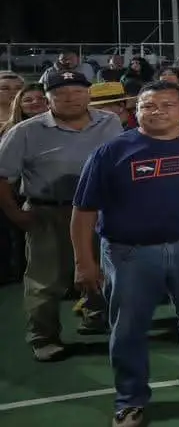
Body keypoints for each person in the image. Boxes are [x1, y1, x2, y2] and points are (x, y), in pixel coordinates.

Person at [71, 81, 179, 427]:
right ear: (136, 110)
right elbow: (83, 211)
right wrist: (84, 262)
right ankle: (130, 399)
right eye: (148, 106)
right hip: (130, 253)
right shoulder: (111, 152)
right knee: (128, 328)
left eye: (167, 105)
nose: (157, 111)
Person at [0, 71, 122, 360]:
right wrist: (14, 213)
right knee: (45, 280)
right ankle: (43, 337)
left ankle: (96, 315)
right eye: (61, 93)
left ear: (88, 94)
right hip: (49, 211)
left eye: (77, 91)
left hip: (100, 211)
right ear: (48, 98)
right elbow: (2, 177)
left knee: (102, 269)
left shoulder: (109, 122)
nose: (70, 98)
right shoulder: (26, 131)